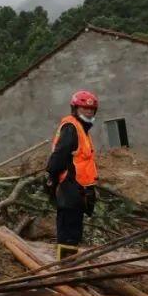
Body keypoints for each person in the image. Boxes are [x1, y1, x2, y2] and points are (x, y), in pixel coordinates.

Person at [45, 90, 100, 260]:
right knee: (68, 232)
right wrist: (51, 178)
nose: (89, 112)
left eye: (91, 109)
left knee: (74, 231)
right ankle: (66, 267)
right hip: (70, 187)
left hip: (78, 189)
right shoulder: (71, 127)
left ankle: (70, 263)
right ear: (75, 108)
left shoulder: (82, 129)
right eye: (84, 108)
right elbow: (59, 156)